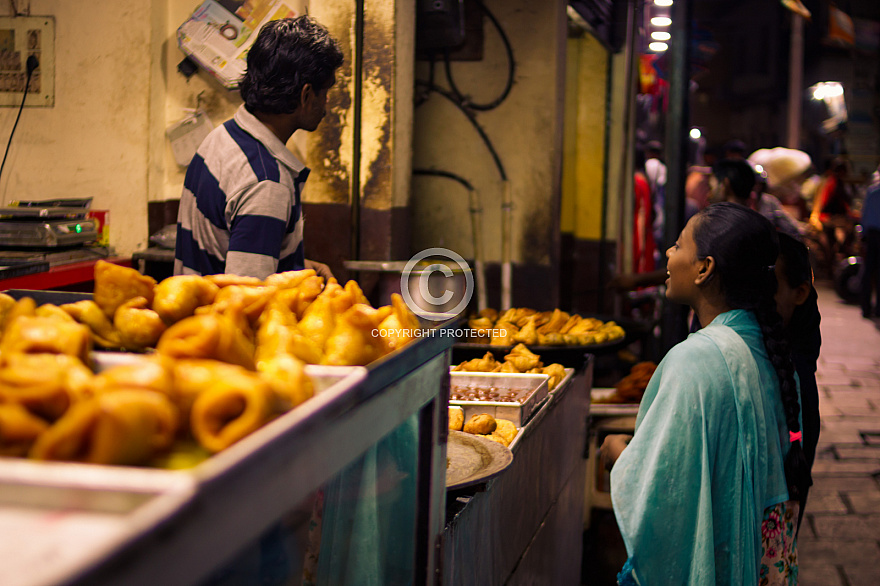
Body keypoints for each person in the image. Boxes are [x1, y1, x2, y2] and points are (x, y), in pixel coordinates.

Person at [601, 202, 810, 585]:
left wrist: (620, 453)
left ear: (705, 268)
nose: (667, 253)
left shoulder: (694, 361)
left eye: (679, 245)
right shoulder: (771, 353)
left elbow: (666, 489)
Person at [175, 16, 342, 280]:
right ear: (306, 95)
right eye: (325, 92)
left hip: (199, 316)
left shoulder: (222, 137)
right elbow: (249, 301)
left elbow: (231, 255)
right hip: (223, 320)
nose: (327, 103)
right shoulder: (267, 183)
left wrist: (296, 267)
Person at [712, 158, 802, 238]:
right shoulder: (725, 210)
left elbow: (789, 226)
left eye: (760, 184)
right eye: (755, 183)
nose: (756, 187)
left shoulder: (769, 202)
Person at [860, 165, 880, 318]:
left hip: (872, 235)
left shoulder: (872, 191)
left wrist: (863, 234)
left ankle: (866, 307)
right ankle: (878, 309)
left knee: (868, 271)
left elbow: (864, 215)